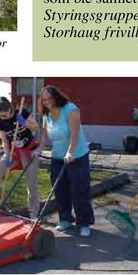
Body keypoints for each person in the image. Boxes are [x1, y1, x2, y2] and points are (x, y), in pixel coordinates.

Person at [39, 84, 95, 236]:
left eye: (49, 99)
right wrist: (38, 150)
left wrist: (70, 152)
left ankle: (84, 222)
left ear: (56, 97)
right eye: (43, 100)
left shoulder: (70, 109)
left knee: (79, 190)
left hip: (77, 155)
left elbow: (74, 134)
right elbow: (44, 135)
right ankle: (65, 219)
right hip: (57, 156)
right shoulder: (47, 115)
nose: (46, 102)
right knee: (60, 189)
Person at [0, 96, 42, 219]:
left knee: (31, 182)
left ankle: (34, 212)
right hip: (13, 152)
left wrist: (24, 122)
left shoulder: (22, 113)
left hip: (29, 150)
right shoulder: (1, 122)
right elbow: (4, 140)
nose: (2, 118)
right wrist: (7, 155)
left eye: (4, 115)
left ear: (10, 109)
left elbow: (35, 127)